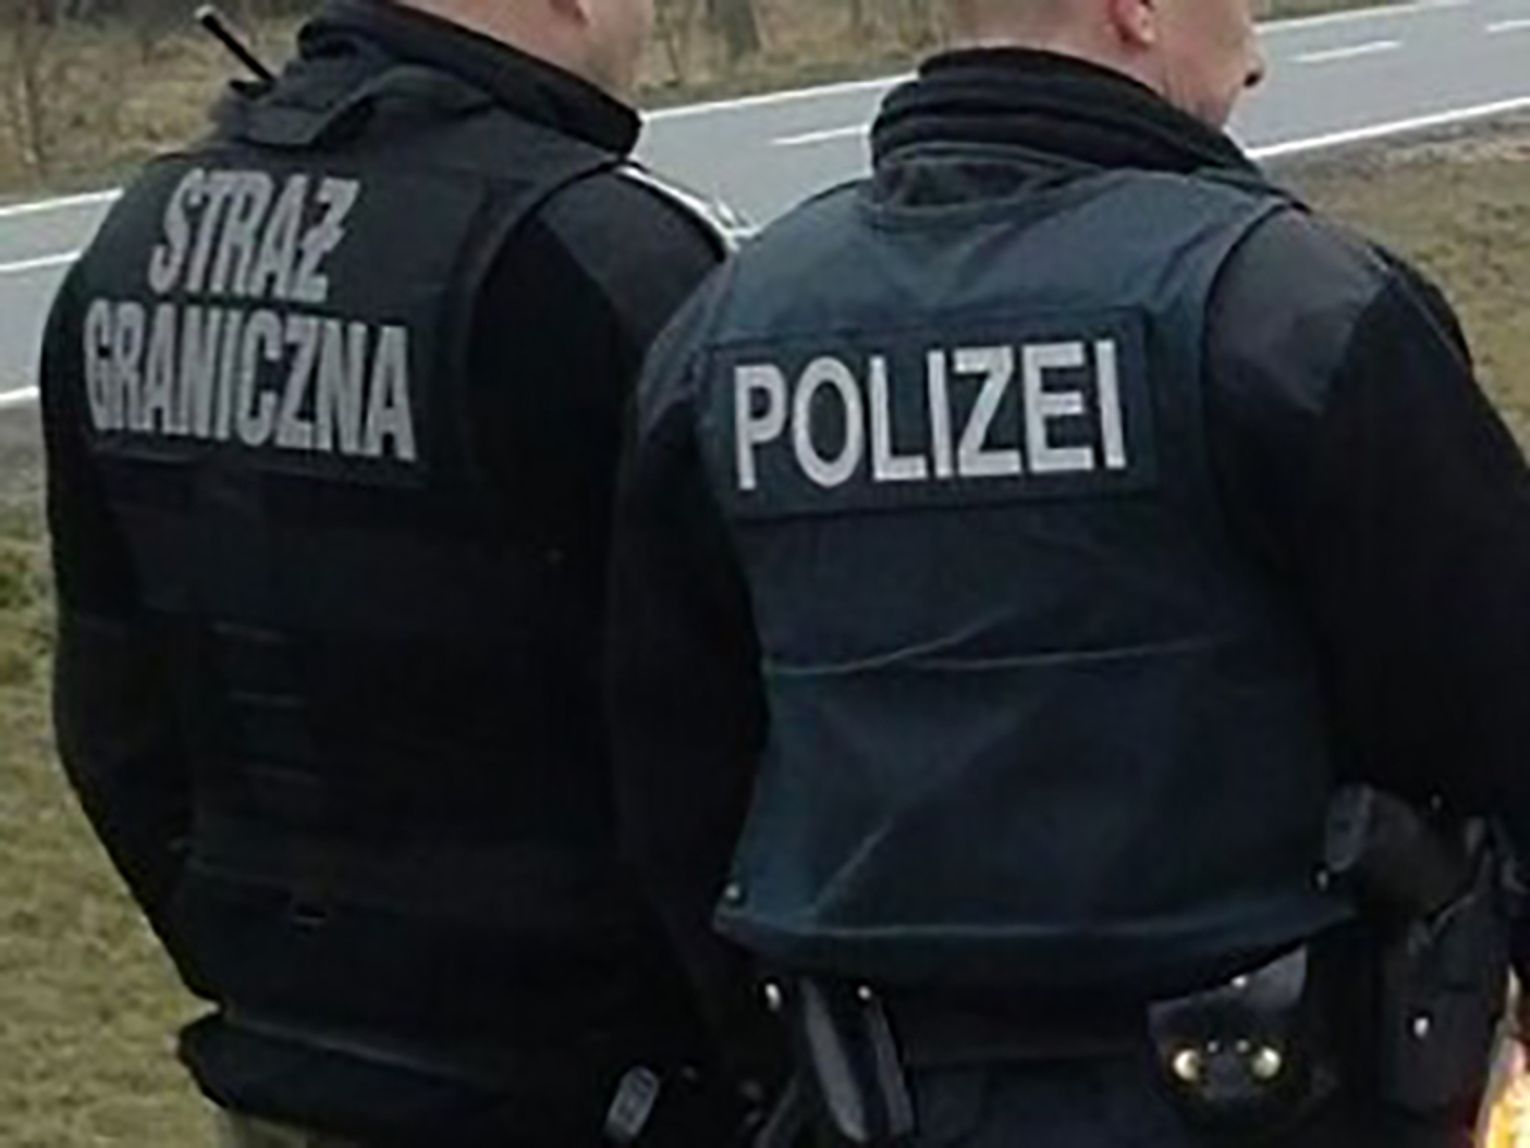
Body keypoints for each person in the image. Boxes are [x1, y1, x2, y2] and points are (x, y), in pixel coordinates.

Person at [606, 0, 1530, 1144]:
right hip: (1272, 1091)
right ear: (1134, 10)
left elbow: (674, 780)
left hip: (874, 1094)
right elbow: (1492, 708)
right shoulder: (1289, 309)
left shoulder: (729, 330)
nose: (1256, 48)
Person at [38, 0, 748, 1143]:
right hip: (585, 1080)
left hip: (286, 1064)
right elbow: (739, 729)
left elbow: (116, 726)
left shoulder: (132, 250)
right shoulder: (602, 254)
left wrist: (271, 970)